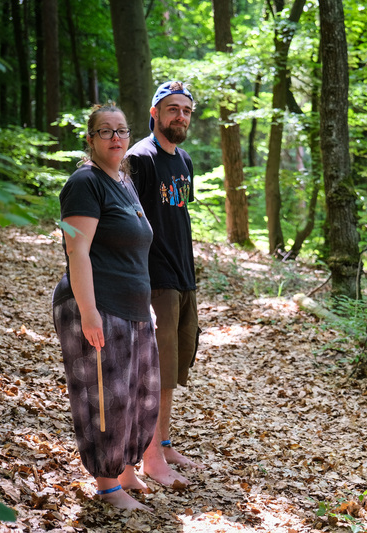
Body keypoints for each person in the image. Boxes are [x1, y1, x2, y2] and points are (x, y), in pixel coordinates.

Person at [52, 104, 159, 511]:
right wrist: (88, 310)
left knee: (139, 394)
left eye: (122, 130)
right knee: (105, 398)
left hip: (134, 308)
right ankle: (107, 485)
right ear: (90, 139)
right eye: (105, 131)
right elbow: (76, 250)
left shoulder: (124, 181)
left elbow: (134, 250)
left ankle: (126, 470)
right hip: (97, 305)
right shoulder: (83, 183)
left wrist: (147, 305)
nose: (116, 137)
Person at [127, 81, 201, 488]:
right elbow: (128, 222)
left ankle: (165, 443)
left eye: (186, 110)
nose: (180, 116)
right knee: (154, 371)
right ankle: (150, 456)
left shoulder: (184, 159)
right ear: (154, 113)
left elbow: (178, 218)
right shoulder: (141, 158)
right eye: (173, 109)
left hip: (183, 277)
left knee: (171, 369)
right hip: (155, 279)